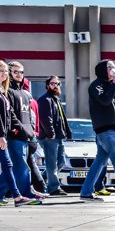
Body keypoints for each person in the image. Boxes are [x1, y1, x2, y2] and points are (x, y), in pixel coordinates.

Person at [80, 60, 115, 201]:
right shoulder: (96, 86)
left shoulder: (110, 85)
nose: (113, 69)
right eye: (109, 67)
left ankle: (86, 191)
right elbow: (105, 101)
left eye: (114, 67)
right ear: (103, 70)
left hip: (111, 129)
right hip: (106, 129)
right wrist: (114, 83)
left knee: (100, 161)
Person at [1, 61, 43, 203]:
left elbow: (30, 116)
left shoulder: (25, 94)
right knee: (21, 167)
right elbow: (10, 114)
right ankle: (27, 194)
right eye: (15, 72)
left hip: (26, 135)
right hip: (14, 135)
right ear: (10, 73)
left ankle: (1, 194)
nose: (19, 74)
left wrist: (31, 132)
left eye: (21, 72)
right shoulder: (7, 91)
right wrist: (19, 128)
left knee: (13, 168)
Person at [36, 75, 70, 196]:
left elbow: (62, 119)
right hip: (49, 137)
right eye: (52, 84)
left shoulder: (56, 100)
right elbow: (45, 119)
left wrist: (67, 132)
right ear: (47, 86)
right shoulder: (45, 100)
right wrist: (51, 134)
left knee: (61, 162)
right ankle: (54, 188)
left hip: (58, 137)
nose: (55, 86)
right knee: (52, 164)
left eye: (57, 84)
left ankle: (42, 177)